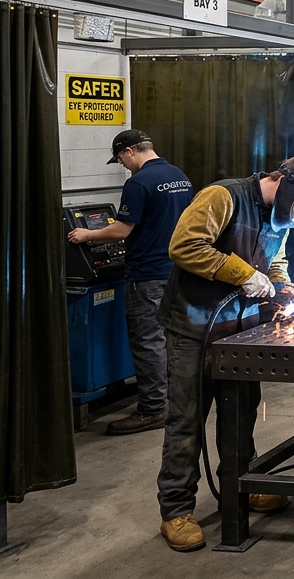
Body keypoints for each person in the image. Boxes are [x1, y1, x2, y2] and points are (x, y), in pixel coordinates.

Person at [155, 156, 294, 552]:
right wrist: (243, 273)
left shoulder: (281, 217)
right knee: (187, 419)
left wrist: (280, 284)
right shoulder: (222, 197)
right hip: (193, 328)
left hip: (241, 332)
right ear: (283, 182)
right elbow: (183, 246)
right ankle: (176, 510)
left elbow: (277, 262)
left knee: (241, 412)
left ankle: (241, 485)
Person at [66, 130, 193, 436]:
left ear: (130, 151)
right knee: (169, 340)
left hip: (147, 275)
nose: (122, 165)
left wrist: (87, 234)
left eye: (121, 158)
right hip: (176, 272)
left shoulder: (138, 183)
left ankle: (152, 409)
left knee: (148, 342)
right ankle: (175, 401)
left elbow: (121, 230)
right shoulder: (180, 176)